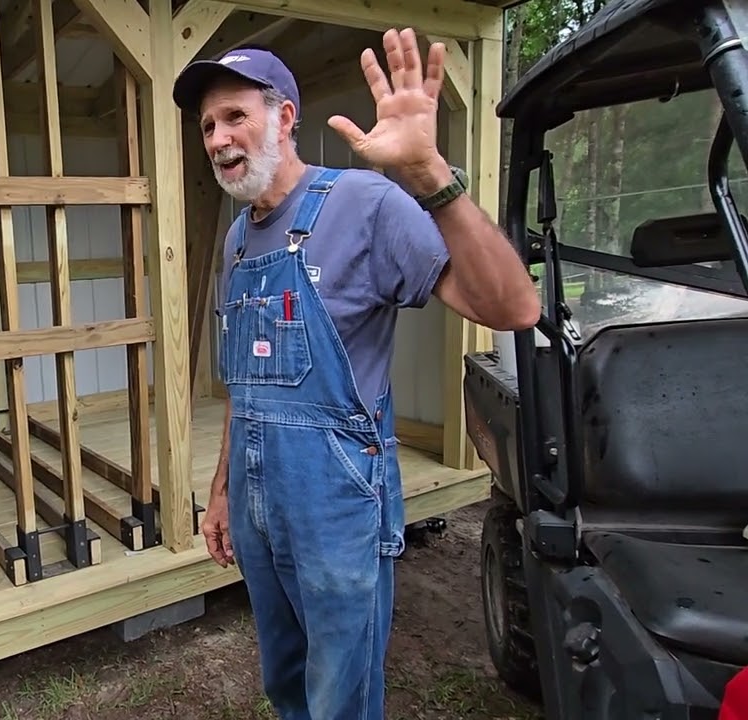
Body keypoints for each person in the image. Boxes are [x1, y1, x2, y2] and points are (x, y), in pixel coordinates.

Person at [170, 29, 540, 720]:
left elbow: (513, 305)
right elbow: (244, 384)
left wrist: (431, 176)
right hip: (257, 500)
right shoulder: (238, 234)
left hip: (333, 503)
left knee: (340, 693)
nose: (218, 139)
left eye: (235, 116)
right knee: (286, 680)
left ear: (284, 117)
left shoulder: (365, 204)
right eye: (208, 125)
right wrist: (221, 490)